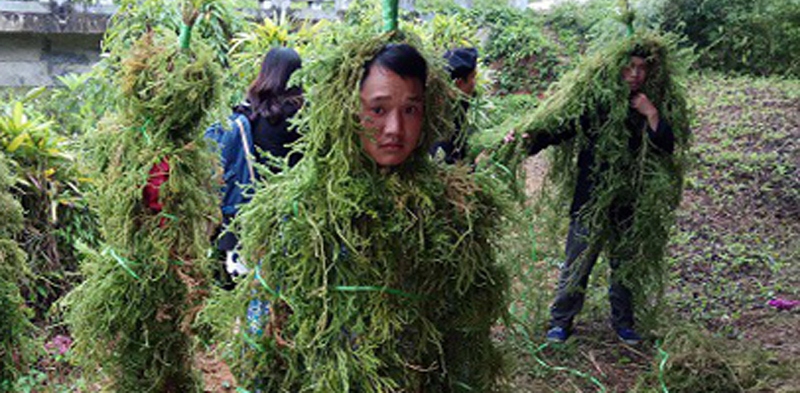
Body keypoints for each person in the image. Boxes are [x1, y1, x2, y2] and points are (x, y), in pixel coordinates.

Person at [216, 37, 509, 392]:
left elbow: (465, 340)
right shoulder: (299, 215)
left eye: (411, 110)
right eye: (378, 109)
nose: (395, 129)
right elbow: (262, 345)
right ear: (347, 112)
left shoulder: (453, 215)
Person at [503, 36, 690, 345]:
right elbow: (560, 128)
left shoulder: (650, 103)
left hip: (630, 200)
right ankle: (561, 320)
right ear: (617, 68)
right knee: (578, 262)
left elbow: (667, 147)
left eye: (642, 69)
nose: (635, 75)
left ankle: (624, 323)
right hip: (590, 198)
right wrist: (527, 140)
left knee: (625, 264)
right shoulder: (597, 102)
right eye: (629, 68)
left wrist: (652, 114)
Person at [206, 47, 303, 284]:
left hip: (247, 217)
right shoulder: (301, 116)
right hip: (291, 218)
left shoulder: (249, 111)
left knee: (253, 293)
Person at [429, 47, 478, 164]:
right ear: (459, 83)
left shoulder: (461, 100)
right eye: (473, 77)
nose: (474, 83)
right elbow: (442, 160)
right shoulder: (442, 117)